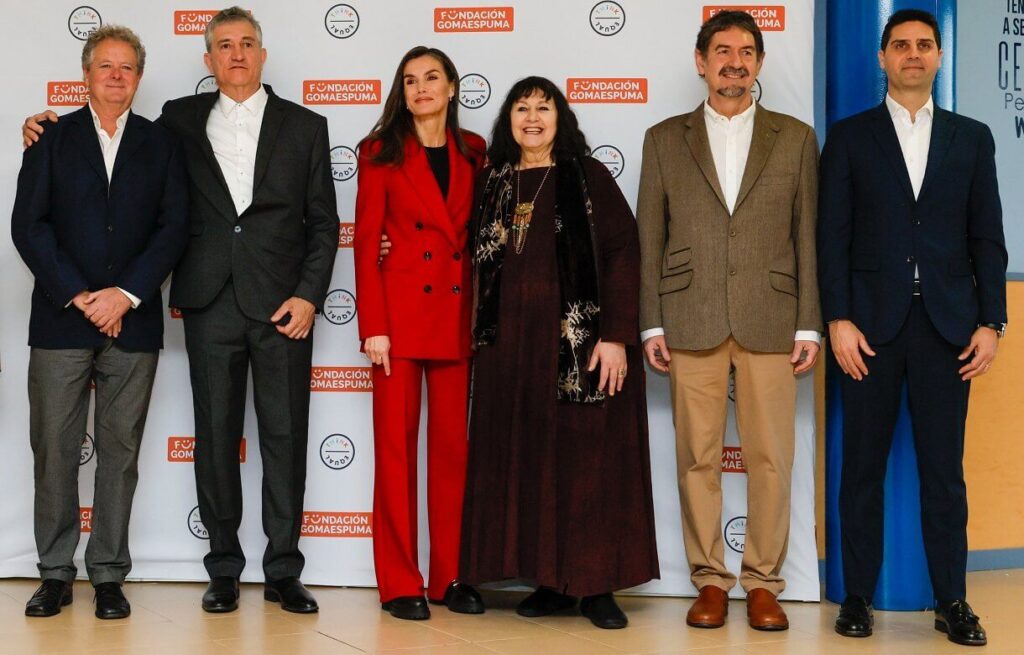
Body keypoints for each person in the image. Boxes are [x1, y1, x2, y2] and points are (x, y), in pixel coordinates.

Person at [22, 6, 338, 614]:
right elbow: (78, 186)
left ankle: (283, 569)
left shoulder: (306, 126)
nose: (237, 55)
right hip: (209, 302)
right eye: (224, 46)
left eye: (247, 44)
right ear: (208, 60)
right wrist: (37, 130)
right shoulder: (178, 122)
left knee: (286, 438)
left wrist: (308, 294)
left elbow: (323, 224)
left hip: (283, 307)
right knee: (215, 441)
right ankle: (222, 569)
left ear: (263, 55)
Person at [819, 9, 1006, 647]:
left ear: (939, 56)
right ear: (882, 58)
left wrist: (992, 322)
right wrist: (837, 319)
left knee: (943, 474)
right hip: (868, 329)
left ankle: (952, 599)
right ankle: (857, 598)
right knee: (862, 469)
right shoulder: (848, 137)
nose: (914, 54)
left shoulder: (973, 137)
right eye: (901, 45)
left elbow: (988, 236)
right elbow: (832, 237)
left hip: (949, 331)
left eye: (925, 45)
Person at [636, 10, 821, 631]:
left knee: (772, 458)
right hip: (690, 316)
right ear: (700, 61)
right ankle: (709, 580)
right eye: (722, 50)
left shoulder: (796, 138)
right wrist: (650, 324)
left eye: (746, 51)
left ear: (761, 63)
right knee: (697, 458)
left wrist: (810, 324)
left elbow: (809, 236)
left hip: (774, 316)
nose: (734, 61)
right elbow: (648, 239)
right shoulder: (664, 139)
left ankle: (765, 583)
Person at [459, 76, 659, 630]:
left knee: (587, 465)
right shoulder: (492, 181)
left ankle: (595, 586)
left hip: (581, 345)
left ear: (560, 118)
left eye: (542, 108)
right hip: (510, 353)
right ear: (508, 120)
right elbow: (461, 248)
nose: (531, 118)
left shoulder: (588, 177)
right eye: (521, 108)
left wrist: (617, 336)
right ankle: (548, 580)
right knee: (530, 462)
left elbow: (624, 254)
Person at [11, 25, 188, 620]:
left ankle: (109, 573)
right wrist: (82, 295)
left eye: (127, 67)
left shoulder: (160, 144)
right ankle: (55, 573)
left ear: (139, 77)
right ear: (86, 74)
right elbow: (28, 226)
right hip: (62, 321)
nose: (116, 76)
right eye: (105, 66)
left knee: (121, 451)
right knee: (54, 450)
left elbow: (173, 229)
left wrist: (128, 295)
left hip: (132, 324)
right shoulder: (50, 138)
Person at [353, 46, 486, 621]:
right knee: (395, 453)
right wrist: (374, 328)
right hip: (400, 321)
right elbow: (365, 243)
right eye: (410, 80)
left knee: (453, 452)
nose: (421, 88)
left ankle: (450, 575)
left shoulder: (476, 151)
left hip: (458, 318)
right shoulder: (379, 152)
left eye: (432, 78)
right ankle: (400, 581)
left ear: (453, 87)